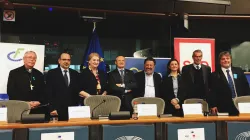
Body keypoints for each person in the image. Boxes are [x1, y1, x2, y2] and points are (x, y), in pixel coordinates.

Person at [209, 51, 250, 115]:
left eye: (227, 58)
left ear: (230, 60)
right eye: (223, 59)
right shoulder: (214, 75)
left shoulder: (239, 71)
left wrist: (247, 102)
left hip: (240, 105)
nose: (226, 60)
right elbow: (212, 92)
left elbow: (246, 87)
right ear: (220, 61)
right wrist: (213, 105)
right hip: (223, 107)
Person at [46, 52, 80, 121]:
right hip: (57, 111)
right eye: (64, 59)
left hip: (72, 111)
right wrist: (52, 108)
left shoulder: (75, 74)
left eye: (68, 60)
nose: (66, 62)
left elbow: (76, 92)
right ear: (59, 61)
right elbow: (48, 92)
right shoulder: (52, 73)